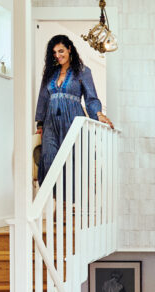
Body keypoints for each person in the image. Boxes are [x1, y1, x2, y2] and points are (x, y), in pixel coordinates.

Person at [34, 35, 114, 183]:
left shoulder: (83, 71)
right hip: (50, 123)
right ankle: (54, 199)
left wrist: (98, 114)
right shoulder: (50, 74)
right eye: (54, 53)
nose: (57, 55)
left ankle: (69, 203)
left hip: (73, 120)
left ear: (69, 49)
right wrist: (40, 123)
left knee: (72, 160)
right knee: (49, 159)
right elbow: (43, 98)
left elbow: (91, 98)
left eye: (61, 51)